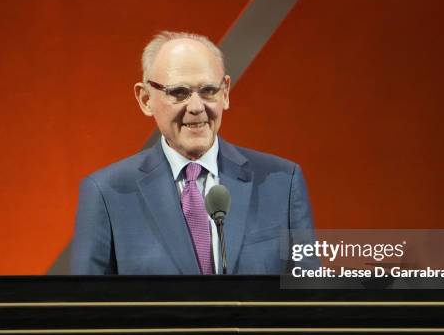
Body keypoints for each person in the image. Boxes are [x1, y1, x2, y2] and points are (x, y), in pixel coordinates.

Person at [70, 31, 316, 275]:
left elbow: (309, 299)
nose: (197, 107)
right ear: (145, 99)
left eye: (209, 90)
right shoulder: (106, 193)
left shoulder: (283, 182)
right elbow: (87, 307)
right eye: (179, 93)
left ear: (225, 92)